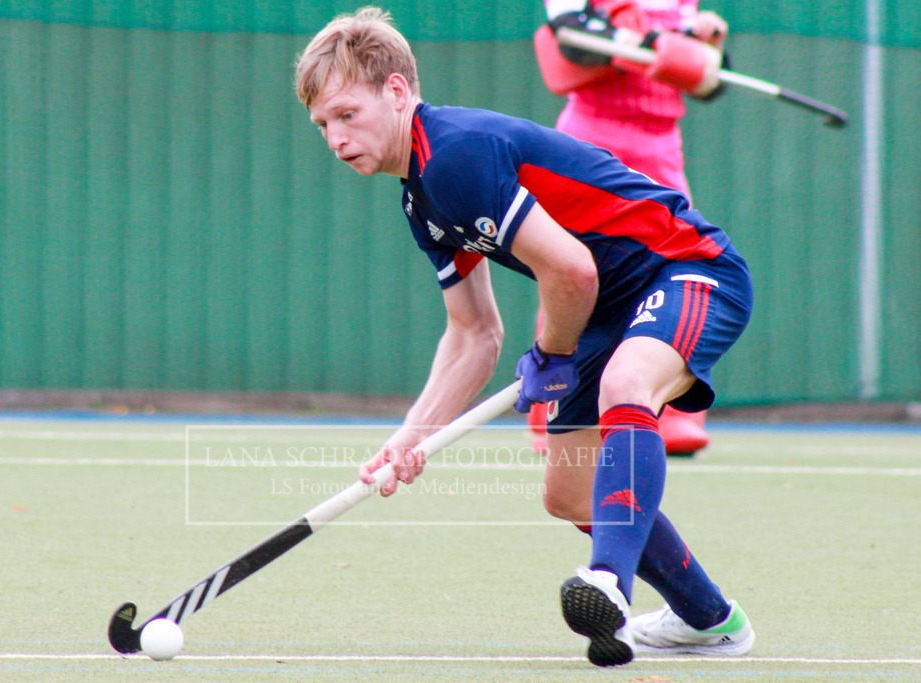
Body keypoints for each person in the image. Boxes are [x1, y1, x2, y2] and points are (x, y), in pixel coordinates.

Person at [295, 7, 755, 667]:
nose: (336, 138)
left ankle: (609, 586)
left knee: (627, 383)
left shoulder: (453, 155)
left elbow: (570, 269)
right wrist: (412, 435)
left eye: (346, 114)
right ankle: (711, 621)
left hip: (686, 268)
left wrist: (556, 353)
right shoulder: (418, 199)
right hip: (609, 305)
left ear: (397, 92)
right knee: (568, 490)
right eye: (322, 126)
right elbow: (474, 332)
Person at [530, 0, 732, 457]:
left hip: (660, 143)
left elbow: (709, 83)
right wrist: (648, 44)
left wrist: (706, 49)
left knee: (681, 270)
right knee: (571, 268)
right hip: (591, 137)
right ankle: (553, 411)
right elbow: (573, 38)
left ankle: (673, 414)